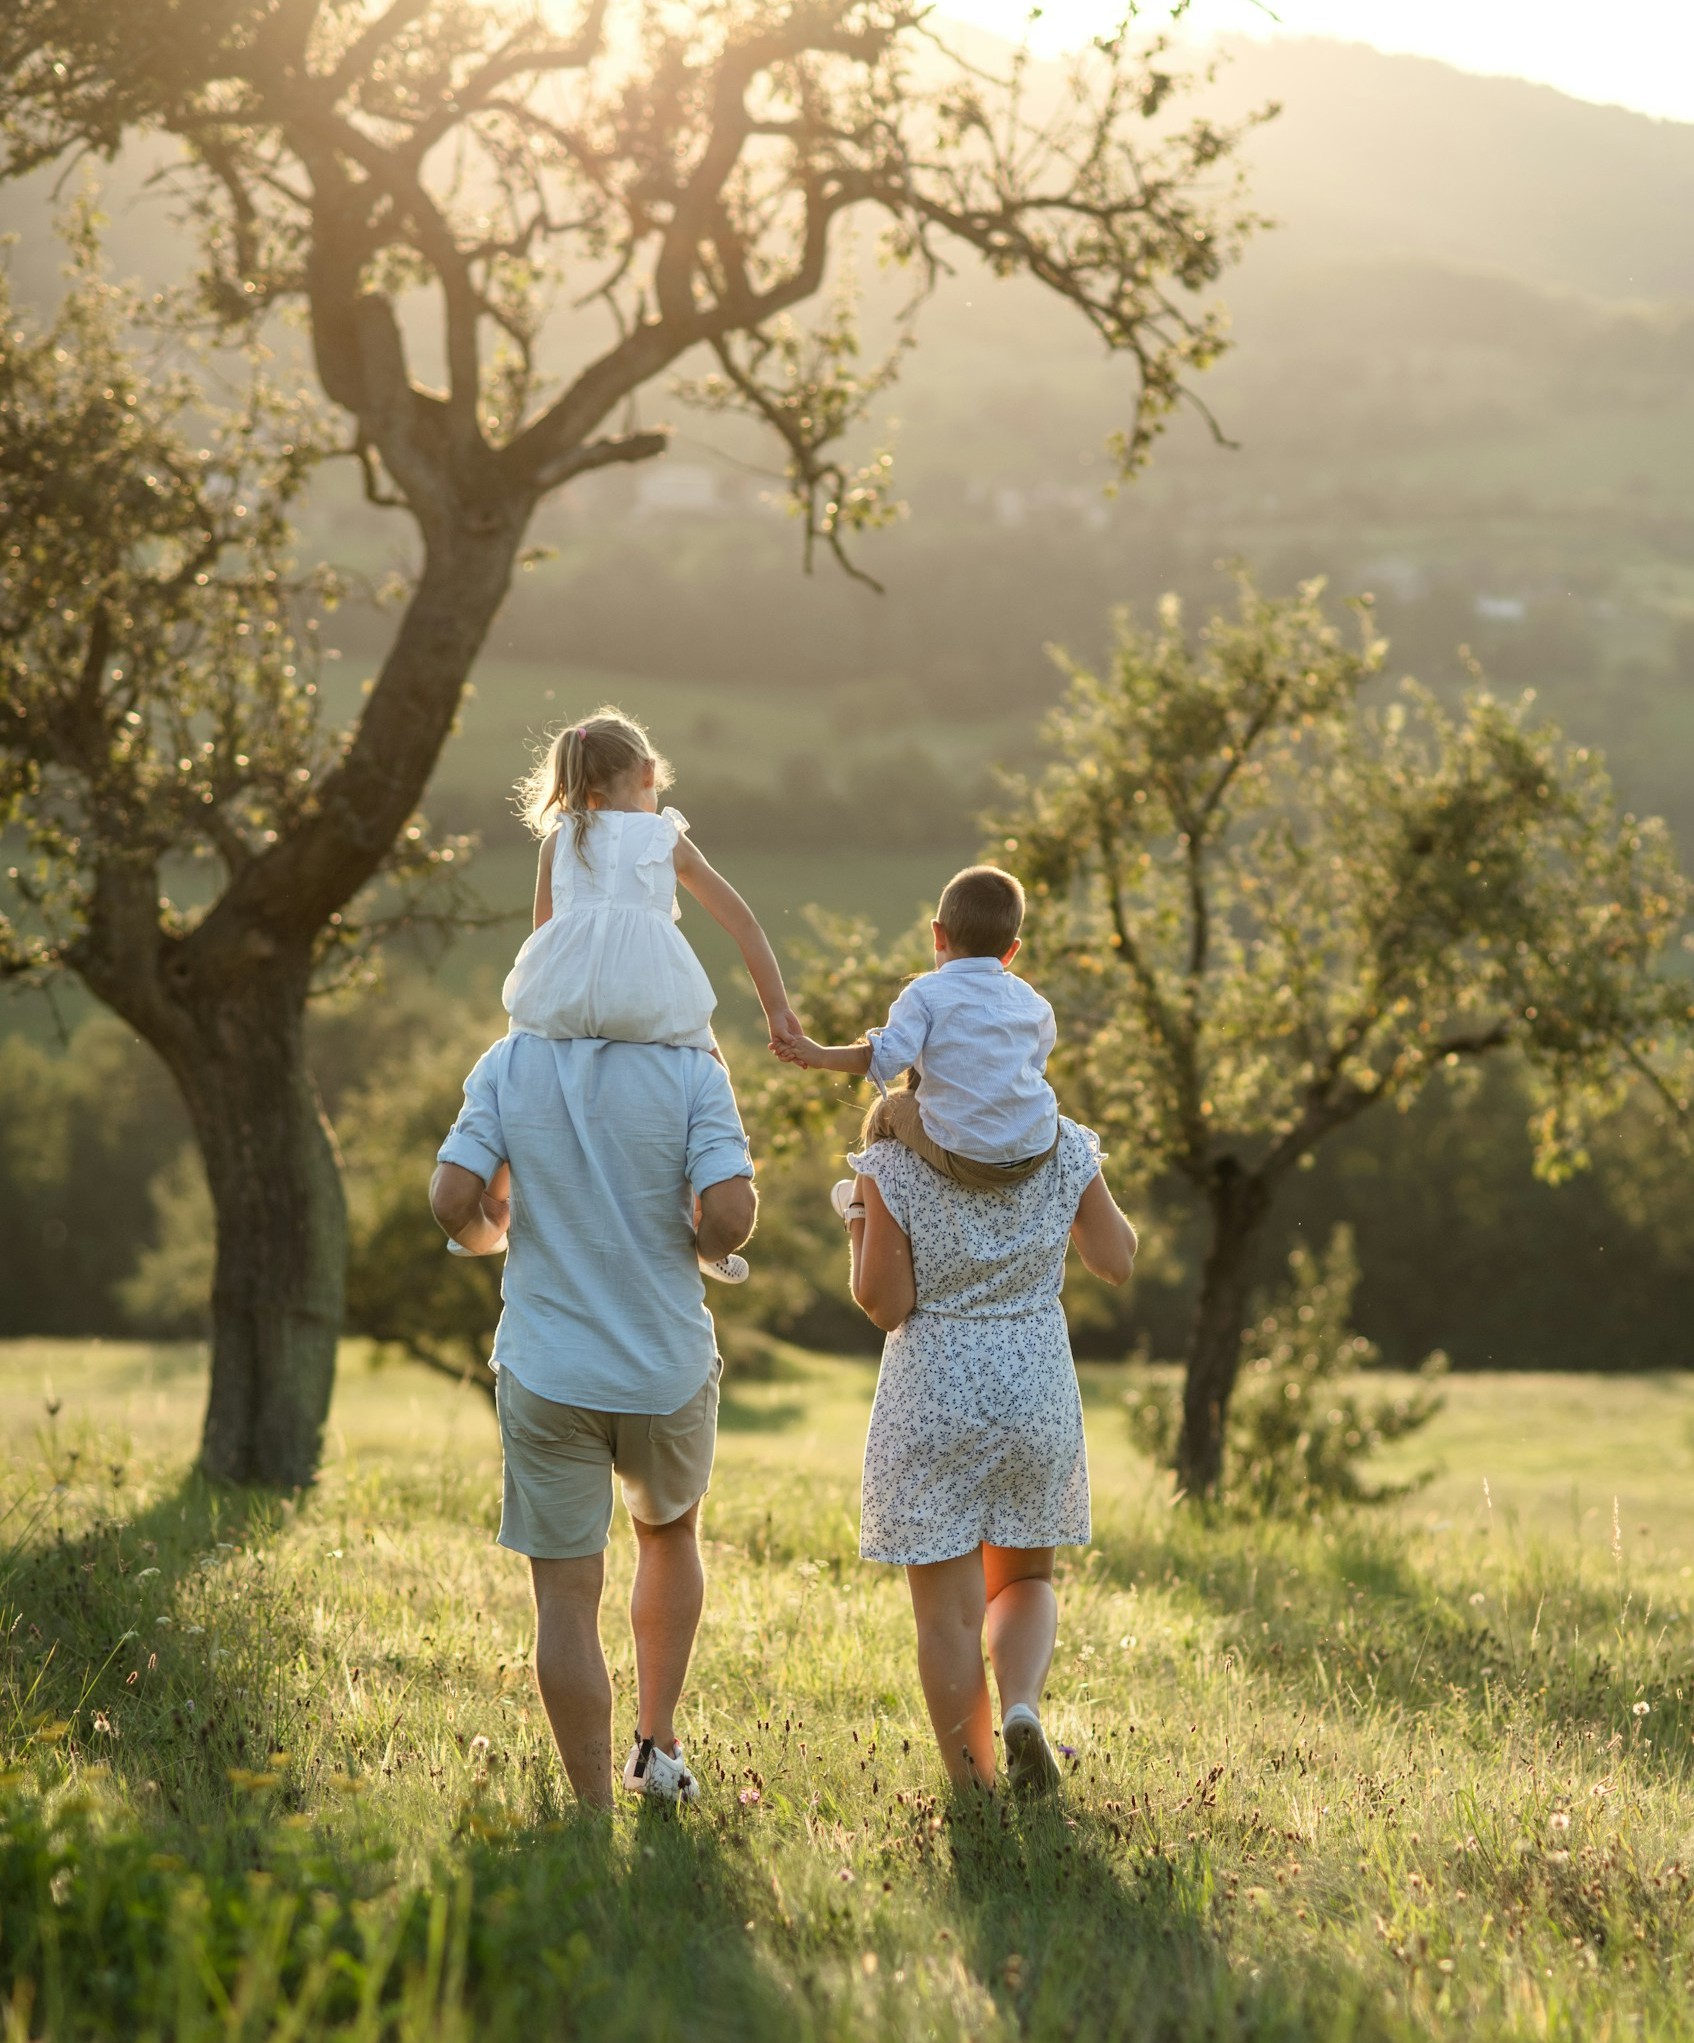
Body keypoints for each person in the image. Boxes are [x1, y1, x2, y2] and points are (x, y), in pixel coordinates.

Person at [430, 1028, 757, 1807]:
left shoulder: (512, 1059)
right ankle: (657, 1743)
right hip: (663, 1366)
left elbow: (453, 1202)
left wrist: (492, 1232)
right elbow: (733, 1217)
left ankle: (591, 1814)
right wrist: (697, 1236)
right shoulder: (694, 1066)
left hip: (550, 1365)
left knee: (567, 1594)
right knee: (670, 1532)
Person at [830, 1103, 1136, 1795]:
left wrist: (858, 1221)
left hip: (935, 1393)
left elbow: (886, 1302)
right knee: (1025, 1581)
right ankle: (1021, 1702)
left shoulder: (890, 1161)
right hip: (1035, 1390)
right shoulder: (1060, 1145)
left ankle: (975, 1795)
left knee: (948, 1615)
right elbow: (1114, 1260)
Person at [503, 705, 801, 1281]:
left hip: (564, 1002)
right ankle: (702, 1216)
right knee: (710, 1074)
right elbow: (744, 925)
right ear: (646, 773)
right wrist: (778, 1013)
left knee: (515, 1074)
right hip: (647, 1000)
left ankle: (505, 1196)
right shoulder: (664, 837)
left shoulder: (557, 841)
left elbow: (543, 937)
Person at [776, 865, 1059, 1192]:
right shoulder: (1033, 1002)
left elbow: (883, 1058)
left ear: (938, 935)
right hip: (1037, 1147)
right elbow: (1034, 1067)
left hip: (968, 1159)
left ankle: (859, 1207)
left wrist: (820, 1055)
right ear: (1012, 950)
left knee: (886, 1110)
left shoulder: (925, 994)